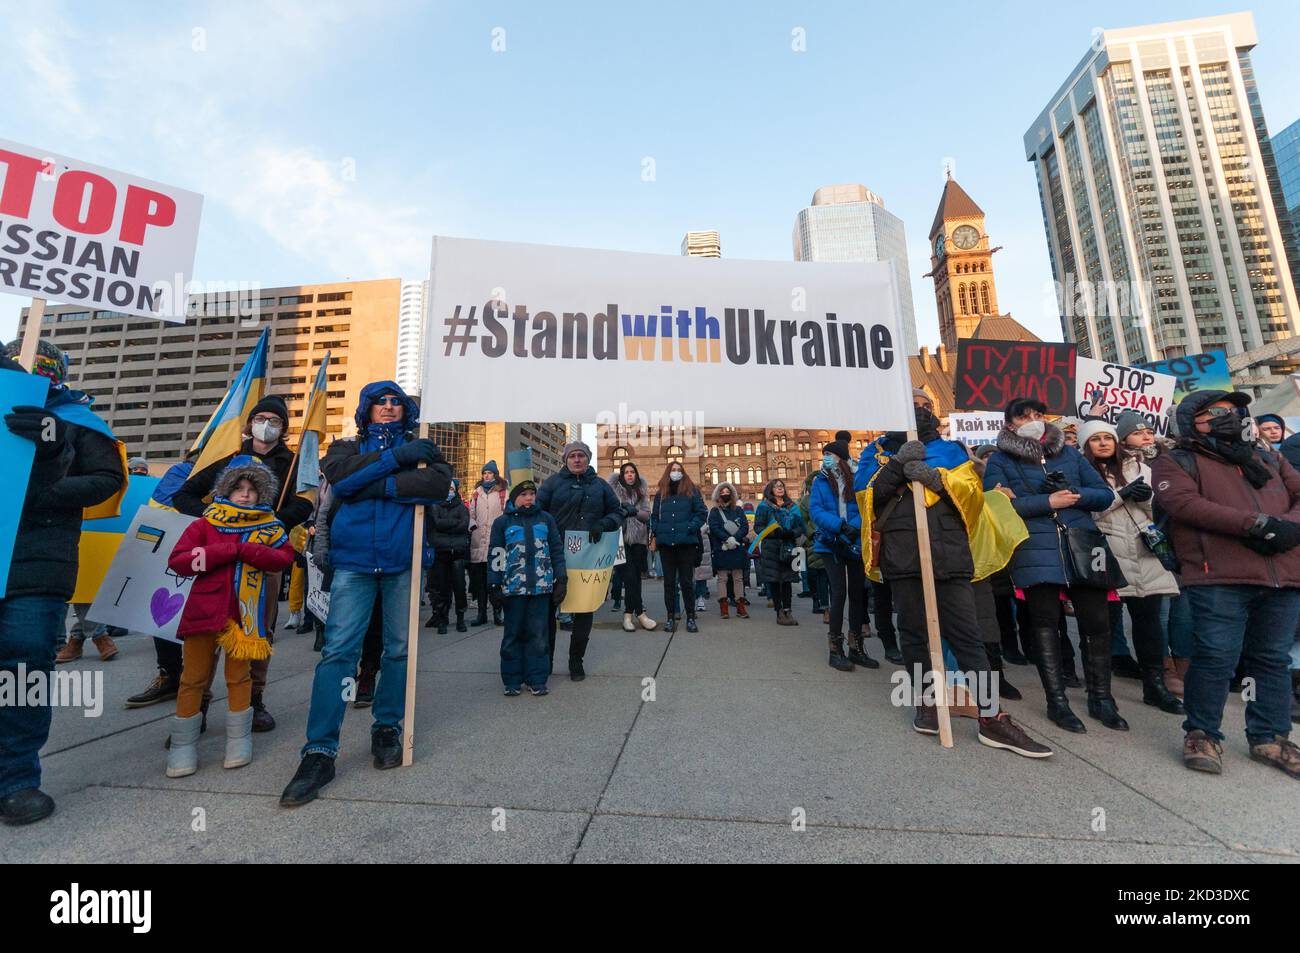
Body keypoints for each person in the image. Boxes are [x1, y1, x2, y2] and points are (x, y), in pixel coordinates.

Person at [280, 381, 451, 807]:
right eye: (381, 402)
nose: (390, 408)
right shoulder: (345, 447)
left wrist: (378, 482)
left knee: (397, 650)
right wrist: (396, 463)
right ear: (367, 409)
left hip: (401, 562)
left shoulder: (424, 448)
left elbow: (437, 488)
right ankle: (319, 751)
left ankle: (387, 727)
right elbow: (341, 478)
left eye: (397, 402)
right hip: (354, 563)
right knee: (338, 652)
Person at [857, 407, 1050, 757]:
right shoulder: (876, 453)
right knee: (914, 634)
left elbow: (973, 498)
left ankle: (991, 715)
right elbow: (866, 499)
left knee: (967, 634)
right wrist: (897, 465)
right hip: (902, 554)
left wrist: (935, 479)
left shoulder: (950, 451)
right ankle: (928, 703)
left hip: (949, 552)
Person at [0, 344, 125, 825]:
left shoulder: (77, 419)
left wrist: (53, 468)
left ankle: (15, 780)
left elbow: (106, 479)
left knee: (23, 667)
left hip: (38, 561)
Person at [1152, 391, 1300, 779]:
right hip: (1219, 575)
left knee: (1273, 660)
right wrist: (1253, 524)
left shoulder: (1269, 457)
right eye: (1214, 412)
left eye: (1233, 411)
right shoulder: (1176, 460)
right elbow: (1184, 505)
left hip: (1281, 575)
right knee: (1216, 656)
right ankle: (1202, 733)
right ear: (1190, 421)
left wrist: (1287, 528)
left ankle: (1270, 736)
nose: (1227, 417)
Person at [162, 394, 312, 733]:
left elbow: (304, 504)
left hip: (263, 557)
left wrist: (273, 524)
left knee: (261, 625)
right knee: (209, 625)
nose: (267, 426)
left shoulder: (293, 463)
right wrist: (215, 520)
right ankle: (197, 701)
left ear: (284, 428)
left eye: (275, 422)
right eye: (261, 419)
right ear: (249, 424)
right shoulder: (228, 457)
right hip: (217, 559)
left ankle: (254, 698)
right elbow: (183, 494)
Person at [982, 398, 1125, 733]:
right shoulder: (1000, 461)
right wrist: (1046, 501)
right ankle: (1057, 702)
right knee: (1045, 623)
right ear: (1010, 424)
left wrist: (1071, 493)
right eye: (1023, 416)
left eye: (1037, 414)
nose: (1032, 420)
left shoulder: (1070, 453)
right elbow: (996, 506)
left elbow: (1104, 495)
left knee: (1096, 621)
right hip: (1036, 546)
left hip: (1082, 541)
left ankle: (1101, 698)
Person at [164, 459, 295, 777]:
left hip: (244, 619)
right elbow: (179, 561)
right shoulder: (204, 525)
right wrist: (225, 552)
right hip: (204, 613)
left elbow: (284, 557)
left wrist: (249, 552)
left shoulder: (270, 527)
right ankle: (183, 746)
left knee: (240, 678)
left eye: (252, 490)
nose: (246, 495)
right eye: (239, 489)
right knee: (192, 678)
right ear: (226, 490)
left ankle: (239, 740)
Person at [1078, 419, 1184, 714]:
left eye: (1107, 438)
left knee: (1149, 624)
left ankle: (1155, 686)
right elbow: (1085, 510)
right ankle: (1099, 691)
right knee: (1102, 625)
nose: (1102, 443)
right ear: (1086, 445)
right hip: (1105, 553)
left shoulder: (1139, 468)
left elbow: (1161, 508)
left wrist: (1148, 498)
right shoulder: (1080, 470)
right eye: (1095, 439)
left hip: (1143, 551)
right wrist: (1118, 497)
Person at [536, 440, 624, 678]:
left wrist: (603, 523)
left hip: (588, 558)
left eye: (581, 456)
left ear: (588, 459)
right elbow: (537, 512)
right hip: (556, 556)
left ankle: (576, 661)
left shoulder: (601, 486)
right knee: (548, 611)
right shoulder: (552, 484)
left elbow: (618, 512)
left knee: (584, 610)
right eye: (572, 456)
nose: (577, 460)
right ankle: (546, 662)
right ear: (565, 459)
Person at [489, 478, 566, 696]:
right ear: (515, 499)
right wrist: (493, 583)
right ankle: (512, 680)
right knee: (513, 635)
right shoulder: (503, 523)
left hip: (541, 589)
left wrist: (561, 579)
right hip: (513, 589)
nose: (529, 498)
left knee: (538, 635)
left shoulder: (546, 520)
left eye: (532, 494)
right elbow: (496, 554)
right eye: (524, 495)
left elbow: (557, 551)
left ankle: (537, 679)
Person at [811, 439, 876, 671]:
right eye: (824, 453)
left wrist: (854, 527)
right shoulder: (819, 480)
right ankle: (835, 648)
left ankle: (856, 646)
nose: (826, 457)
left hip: (854, 542)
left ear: (841, 457)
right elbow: (816, 510)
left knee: (857, 593)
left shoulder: (856, 478)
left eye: (830, 453)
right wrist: (839, 526)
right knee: (838, 593)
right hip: (831, 543)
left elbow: (864, 506)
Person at [650, 461, 708, 633]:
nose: (676, 472)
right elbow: (654, 517)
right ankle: (670, 617)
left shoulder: (692, 491)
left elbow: (701, 513)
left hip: (686, 544)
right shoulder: (661, 494)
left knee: (686, 582)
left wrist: (690, 527)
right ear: (668, 472)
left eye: (679, 470)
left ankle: (690, 617)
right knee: (669, 583)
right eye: (673, 470)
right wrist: (657, 530)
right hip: (666, 544)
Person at [608, 462, 657, 632]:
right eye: (626, 472)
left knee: (636, 578)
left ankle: (628, 615)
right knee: (628, 577)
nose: (629, 475)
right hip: (619, 539)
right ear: (621, 475)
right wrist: (621, 510)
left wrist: (633, 511)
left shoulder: (642, 493)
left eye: (632, 472)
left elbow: (646, 515)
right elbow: (610, 511)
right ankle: (640, 613)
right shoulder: (614, 492)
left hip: (638, 540)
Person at [753, 480, 804, 625]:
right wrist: (774, 533)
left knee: (788, 580)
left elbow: (801, 527)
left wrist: (791, 533)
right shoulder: (764, 506)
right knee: (775, 581)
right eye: (776, 486)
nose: (780, 488)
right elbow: (758, 527)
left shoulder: (792, 506)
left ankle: (788, 610)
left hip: (789, 546)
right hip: (772, 548)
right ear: (770, 489)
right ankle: (779, 612)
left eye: (781, 486)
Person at [426, 478, 470, 634]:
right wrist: (453, 523)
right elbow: (436, 523)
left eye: (451, 489)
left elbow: (464, 525)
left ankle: (460, 618)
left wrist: (445, 524)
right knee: (441, 588)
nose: (449, 492)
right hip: (440, 553)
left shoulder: (462, 507)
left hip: (457, 552)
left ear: (455, 490)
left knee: (459, 587)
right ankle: (442, 619)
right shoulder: (434, 505)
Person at [467, 462, 508, 626]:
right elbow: (471, 513)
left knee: (496, 581)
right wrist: (472, 525)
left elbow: (507, 513)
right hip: (479, 542)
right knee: (480, 583)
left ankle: (498, 612)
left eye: (490, 473)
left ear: (496, 475)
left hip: (497, 542)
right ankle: (481, 613)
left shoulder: (503, 493)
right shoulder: (476, 493)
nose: (487, 476)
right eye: (484, 473)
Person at [707, 481, 750, 619]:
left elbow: (744, 527)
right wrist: (726, 539)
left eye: (728, 492)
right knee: (722, 578)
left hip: (737, 548)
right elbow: (714, 528)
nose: (725, 494)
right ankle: (724, 607)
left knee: (738, 578)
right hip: (722, 548)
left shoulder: (738, 510)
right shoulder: (714, 512)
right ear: (718, 495)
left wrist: (735, 539)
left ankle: (740, 606)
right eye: (723, 492)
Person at [797, 471, 831, 622]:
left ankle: (829, 606)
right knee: (819, 576)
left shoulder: (831, 495)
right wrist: (811, 535)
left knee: (831, 578)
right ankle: (823, 605)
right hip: (815, 542)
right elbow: (802, 522)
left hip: (832, 538)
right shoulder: (806, 500)